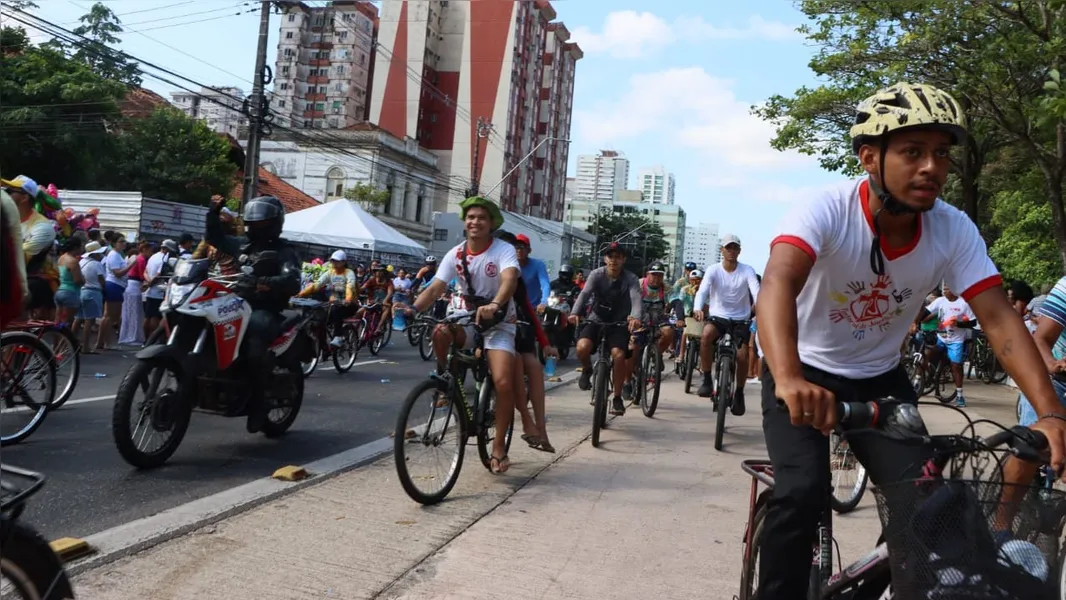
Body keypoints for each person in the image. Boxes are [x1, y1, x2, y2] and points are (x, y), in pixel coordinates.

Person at [756, 82, 1066, 598]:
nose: (931, 167)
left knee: (931, 511)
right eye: (913, 152)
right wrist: (786, 377)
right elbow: (778, 284)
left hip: (879, 378)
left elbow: (998, 319)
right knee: (801, 493)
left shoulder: (952, 228)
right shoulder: (825, 209)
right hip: (802, 370)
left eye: (941, 154)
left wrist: (1051, 412)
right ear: (870, 158)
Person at [408, 196, 521, 474]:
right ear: (464, 221)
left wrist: (495, 304)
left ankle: (498, 447)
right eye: (470, 217)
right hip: (468, 319)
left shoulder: (504, 250)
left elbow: (509, 280)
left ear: (491, 223)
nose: (475, 222)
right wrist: (412, 309)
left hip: (499, 322)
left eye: (481, 217)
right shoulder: (456, 254)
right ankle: (446, 379)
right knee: (440, 330)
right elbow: (435, 288)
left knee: (504, 382)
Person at [205, 195, 302, 433]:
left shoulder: (285, 251)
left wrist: (262, 282)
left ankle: (259, 401)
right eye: (252, 223)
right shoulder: (242, 245)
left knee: (255, 338)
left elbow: (292, 280)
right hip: (235, 303)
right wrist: (213, 213)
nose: (255, 227)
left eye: (261, 223)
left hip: (264, 308)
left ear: (274, 223)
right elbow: (214, 238)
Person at [494, 230, 559, 453]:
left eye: (519, 247)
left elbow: (540, 290)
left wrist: (543, 303)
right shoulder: (479, 262)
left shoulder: (522, 272)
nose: (516, 251)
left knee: (531, 365)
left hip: (520, 317)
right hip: (483, 319)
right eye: (511, 247)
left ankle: (538, 426)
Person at [569, 242, 643, 416]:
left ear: (623, 260)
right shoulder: (597, 274)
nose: (614, 261)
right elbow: (584, 294)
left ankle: (617, 397)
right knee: (582, 347)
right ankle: (587, 369)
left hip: (619, 323)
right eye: (611, 256)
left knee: (618, 356)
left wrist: (636, 318)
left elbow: (636, 300)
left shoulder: (631, 278)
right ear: (605, 259)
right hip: (596, 319)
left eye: (618, 257)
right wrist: (575, 313)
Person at [692, 233, 760, 414]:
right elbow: (703, 290)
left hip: (740, 320)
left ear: (739, 250)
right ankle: (707, 378)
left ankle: (739, 392)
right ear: (722, 250)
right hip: (718, 317)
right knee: (706, 335)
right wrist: (698, 308)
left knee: (742, 356)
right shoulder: (713, 270)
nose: (731, 251)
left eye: (735, 247)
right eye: (728, 247)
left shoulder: (747, 270)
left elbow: (756, 291)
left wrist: (761, 308)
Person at [3, 175, 57, 319]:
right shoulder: (8, 221)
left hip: (39, 280)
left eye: (9, 191)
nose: (4, 194)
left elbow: (17, 258)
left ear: (24, 198)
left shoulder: (42, 227)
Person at [917, 283, 977, 407]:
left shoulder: (963, 303)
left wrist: (959, 324)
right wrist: (914, 323)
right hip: (941, 338)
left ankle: (960, 395)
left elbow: (973, 322)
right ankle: (919, 381)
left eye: (947, 289)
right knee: (926, 354)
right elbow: (925, 312)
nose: (945, 291)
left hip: (956, 341)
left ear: (955, 290)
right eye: (944, 289)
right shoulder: (940, 301)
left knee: (956, 365)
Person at [298, 250, 357, 347]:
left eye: (337, 261)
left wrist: (348, 299)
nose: (334, 263)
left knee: (336, 311)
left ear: (343, 262)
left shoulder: (349, 273)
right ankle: (324, 348)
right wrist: (301, 293)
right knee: (319, 320)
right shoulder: (330, 272)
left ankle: (338, 337)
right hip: (334, 303)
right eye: (333, 261)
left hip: (349, 304)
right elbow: (317, 284)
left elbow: (350, 287)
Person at [1, 189, 29, 328]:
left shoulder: (5, 202)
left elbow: (17, 247)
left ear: (25, 197)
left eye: (13, 190)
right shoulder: (6, 201)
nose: (8, 191)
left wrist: (22, 286)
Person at [73, 241, 106, 353]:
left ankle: (70, 343)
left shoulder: (81, 262)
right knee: (89, 320)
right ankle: (85, 347)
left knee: (78, 319)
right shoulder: (97, 264)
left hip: (81, 291)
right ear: (96, 254)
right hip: (93, 292)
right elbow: (102, 280)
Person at [143, 239, 179, 341]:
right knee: (155, 318)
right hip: (158, 291)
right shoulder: (164, 259)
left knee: (147, 317)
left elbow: (145, 271)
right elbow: (159, 275)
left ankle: (145, 340)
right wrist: (151, 284)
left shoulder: (153, 256)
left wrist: (148, 282)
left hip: (149, 291)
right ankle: (152, 340)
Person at [118, 241, 152, 346]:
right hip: (135, 287)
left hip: (131, 286)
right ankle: (133, 337)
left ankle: (129, 335)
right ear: (144, 250)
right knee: (135, 313)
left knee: (129, 313)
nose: (151, 252)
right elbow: (142, 275)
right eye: (150, 250)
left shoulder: (137, 258)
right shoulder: (141, 259)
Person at [513, 234, 551, 313]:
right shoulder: (509, 265)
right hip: (512, 309)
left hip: (533, 309)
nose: (519, 250)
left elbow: (545, 285)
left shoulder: (538, 265)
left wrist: (544, 302)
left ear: (529, 250)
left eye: (522, 247)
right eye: (516, 247)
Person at [53, 237, 85, 326]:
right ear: (76, 247)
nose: (82, 248)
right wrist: (84, 279)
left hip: (60, 291)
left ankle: (56, 338)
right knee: (66, 322)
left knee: (57, 321)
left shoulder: (61, 258)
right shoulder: (73, 261)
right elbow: (77, 280)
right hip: (71, 293)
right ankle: (63, 340)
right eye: (81, 246)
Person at [359, 264, 394, 334]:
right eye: (377, 271)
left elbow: (390, 292)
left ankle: (379, 327)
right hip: (372, 302)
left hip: (382, 303)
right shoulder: (371, 280)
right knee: (358, 312)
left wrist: (385, 301)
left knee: (387, 309)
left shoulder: (389, 282)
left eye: (381, 271)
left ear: (385, 273)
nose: (379, 272)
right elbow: (363, 288)